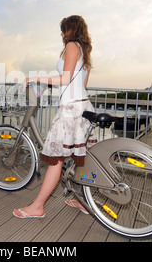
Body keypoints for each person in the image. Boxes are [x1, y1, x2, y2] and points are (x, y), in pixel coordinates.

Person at [13, 15, 97, 219]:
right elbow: (80, 85)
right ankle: (82, 200)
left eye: (63, 30)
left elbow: (66, 78)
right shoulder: (85, 51)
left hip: (70, 109)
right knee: (82, 158)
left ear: (70, 30)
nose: (61, 34)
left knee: (55, 159)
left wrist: (36, 77)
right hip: (84, 105)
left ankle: (37, 207)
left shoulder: (71, 45)